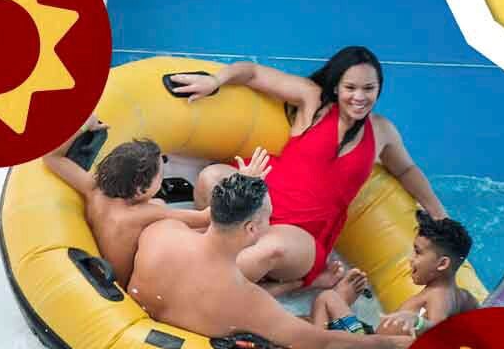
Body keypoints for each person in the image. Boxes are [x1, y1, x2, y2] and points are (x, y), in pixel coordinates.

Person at [171, 46, 447, 290]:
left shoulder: (382, 131)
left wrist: (438, 213)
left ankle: (202, 284)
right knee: (210, 177)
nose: (359, 97)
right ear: (336, 87)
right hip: (264, 198)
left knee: (270, 248)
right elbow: (252, 73)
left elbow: (406, 170)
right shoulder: (314, 102)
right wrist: (215, 81)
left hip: (302, 233)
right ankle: (223, 257)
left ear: (379, 89)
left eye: (369, 88)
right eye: (350, 88)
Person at [128, 173, 414, 349]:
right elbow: (322, 345)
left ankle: (312, 291)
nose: (271, 225)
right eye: (269, 219)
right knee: (307, 322)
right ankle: (334, 298)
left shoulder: (161, 232)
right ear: (252, 228)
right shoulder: (246, 301)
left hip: (138, 342)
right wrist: (389, 345)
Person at [43, 115, 218, 288]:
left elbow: (51, 157)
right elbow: (205, 218)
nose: (161, 179)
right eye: (160, 176)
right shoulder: (143, 214)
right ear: (141, 190)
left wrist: (83, 126)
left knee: (158, 204)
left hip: (107, 273)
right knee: (171, 216)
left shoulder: (94, 190)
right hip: (128, 286)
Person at [325, 210, 479, 338]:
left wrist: (416, 321)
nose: (411, 259)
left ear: (442, 264)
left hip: (370, 347)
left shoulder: (438, 295)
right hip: (375, 339)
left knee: (328, 299)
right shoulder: (463, 296)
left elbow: (436, 329)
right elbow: (476, 314)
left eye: (418, 252)